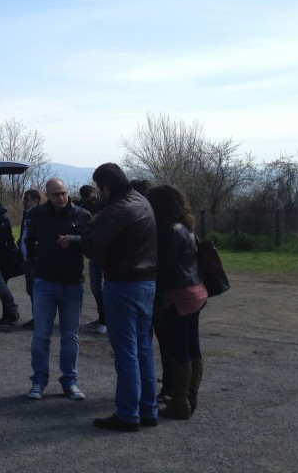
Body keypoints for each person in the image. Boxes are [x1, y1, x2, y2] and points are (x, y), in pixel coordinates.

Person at [83, 163, 158, 431]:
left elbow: (91, 247)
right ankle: (148, 410)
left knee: (126, 353)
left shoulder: (115, 210)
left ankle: (128, 414)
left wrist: (90, 225)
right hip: (147, 284)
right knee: (143, 349)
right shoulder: (141, 201)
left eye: (98, 188)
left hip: (123, 285)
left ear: (105, 187)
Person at [23, 179, 91, 400]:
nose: (61, 198)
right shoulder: (38, 214)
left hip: (72, 283)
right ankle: (38, 381)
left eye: (64, 193)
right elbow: (29, 240)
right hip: (45, 282)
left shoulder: (82, 215)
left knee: (70, 336)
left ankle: (70, 381)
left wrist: (73, 240)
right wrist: (36, 266)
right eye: (56, 195)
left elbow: (92, 244)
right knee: (41, 335)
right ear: (47, 195)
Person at [148, 185, 207, 420]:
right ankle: (190, 398)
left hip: (179, 295)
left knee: (179, 348)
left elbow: (165, 268)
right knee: (193, 346)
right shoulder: (187, 227)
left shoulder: (170, 231)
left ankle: (179, 402)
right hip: (196, 290)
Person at [78, 184, 107, 334]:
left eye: (93, 200)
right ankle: (103, 316)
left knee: (108, 287)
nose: (92, 203)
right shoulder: (83, 207)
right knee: (96, 287)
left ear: (97, 192)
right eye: (88, 201)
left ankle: (106, 319)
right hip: (95, 251)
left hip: (107, 251)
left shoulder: (108, 203)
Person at [18, 189, 41, 328]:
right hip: (27, 258)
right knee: (31, 289)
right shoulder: (28, 213)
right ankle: (36, 318)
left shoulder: (37, 214)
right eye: (24, 199)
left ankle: (38, 319)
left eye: (27, 199)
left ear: (35, 201)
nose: (24, 201)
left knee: (35, 290)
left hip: (34, 258)